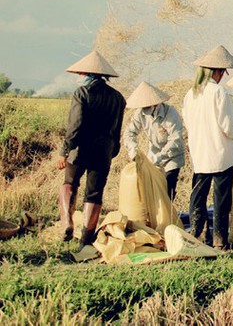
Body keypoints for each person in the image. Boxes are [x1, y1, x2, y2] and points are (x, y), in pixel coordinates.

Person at [55, 51, 126, 250]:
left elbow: (74, 126)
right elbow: (117, 129)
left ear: (86, 74)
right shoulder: (118, 98)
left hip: (80, 149)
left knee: (69, 183)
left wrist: (64, 150)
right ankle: (86, 238)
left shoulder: (82, 93)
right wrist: (112, 151)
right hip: (103, 151)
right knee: (94, 193)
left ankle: (67, 222)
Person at [182, 45, 233, 249]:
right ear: (216, 72)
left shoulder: (191, 94)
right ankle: (220, 241)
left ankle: (197, 236)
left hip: (199, 154)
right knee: (221, 200)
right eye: (222, 72)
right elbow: (228, 126)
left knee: (198, 196)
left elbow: (188, 123)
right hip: (220, 154)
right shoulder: (219, 92)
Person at [123, 81, 185, 201]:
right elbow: (129, 133)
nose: (144, 109)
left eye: (147, 107)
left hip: (172, 156)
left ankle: (168, 214)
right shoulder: (139, 114)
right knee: (151, 188)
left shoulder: (170, 113)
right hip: (153, 154)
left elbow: (175, 139)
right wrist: (132, 148)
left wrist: (161, 156)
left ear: (156, 104)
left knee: (168, 186)